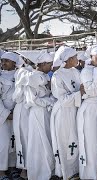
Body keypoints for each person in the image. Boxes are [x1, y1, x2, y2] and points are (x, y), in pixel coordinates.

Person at [50, 46, 85, 179]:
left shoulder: (75, 71)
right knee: (64, 141)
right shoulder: (57, 76)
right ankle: (65, 172)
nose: (78, 59)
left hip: (75, 110)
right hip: (63, 113)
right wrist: (79, 93)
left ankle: (75, 169)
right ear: (69, 59)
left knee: (74, 139)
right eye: (75, 57)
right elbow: (63, 99)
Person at [24, 51, 55, 179]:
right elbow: (32, 99)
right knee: (38, 143)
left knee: (47, 141)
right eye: (49, 64)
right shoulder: (32, 77)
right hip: (37, 112)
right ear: (42, 64)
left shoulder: (44, 76)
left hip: (46, 112)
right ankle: (38, 174)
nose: (51, 67)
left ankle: (48, 171)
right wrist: (50, 101)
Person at [77, 45, 97, 180]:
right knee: (90, 142)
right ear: (91, 57)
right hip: (89, 110)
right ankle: (89, 175)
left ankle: (96, 171)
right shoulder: (86, 72)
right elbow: (92, 91)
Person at [12, 51, 37, 179]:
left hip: (29, 108)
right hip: (23, 108)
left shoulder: (28, 71)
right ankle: (25, 168)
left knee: (30, 138)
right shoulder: (24, 72)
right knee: (24, 138)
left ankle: (30, 166)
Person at [0, 52, 21, 180]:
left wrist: (17, 112)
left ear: (14, 62)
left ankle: (13, 168)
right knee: (3, 143)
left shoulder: (21, 75)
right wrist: (6, 114)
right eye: (2, 61)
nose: (3, 63)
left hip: (17, 113)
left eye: (6, 61)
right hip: (3, 115)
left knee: (15, 142)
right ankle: (1, 171)